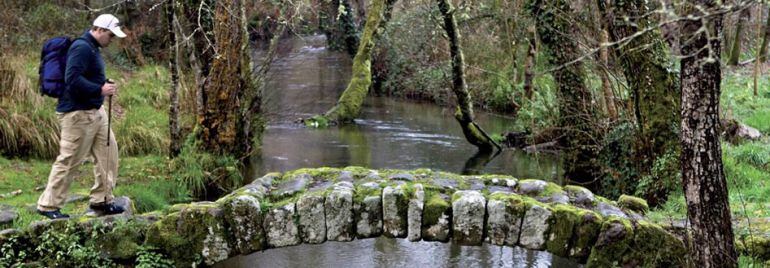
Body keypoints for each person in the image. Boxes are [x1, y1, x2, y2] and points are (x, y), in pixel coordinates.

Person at [37, 14, 127, 219]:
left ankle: (102, 200)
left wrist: (102, 84)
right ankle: (48, 205)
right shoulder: (82, 48)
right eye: (111, 35)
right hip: (77, 113)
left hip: (95, 111)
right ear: (100, 30)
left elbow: (85, 76)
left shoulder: (93, 48)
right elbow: (71, 79)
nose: (112, 40)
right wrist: (100, 89)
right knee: (69, 160)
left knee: (109, 154)